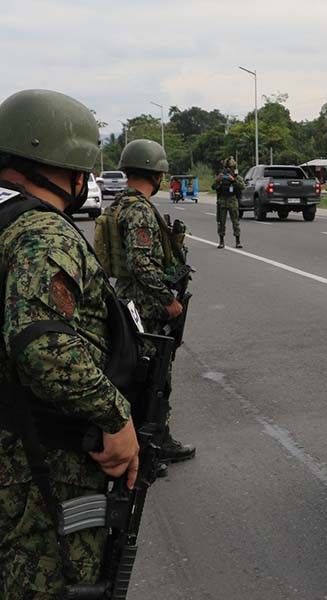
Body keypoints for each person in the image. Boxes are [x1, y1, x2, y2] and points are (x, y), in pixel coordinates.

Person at [0, 89, 139, 597]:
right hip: (39, 455)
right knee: (54, 580)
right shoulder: (44, 233)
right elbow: (42, 345)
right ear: (71, 168)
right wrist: (115, 417)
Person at [111, 139, 196, 466]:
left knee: (142, 374)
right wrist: (167, 300)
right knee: (154, 376)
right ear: (155, 173)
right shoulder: (139, 210)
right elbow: (141, 262)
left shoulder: (120, 203)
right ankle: (151, 447)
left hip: (129, 300)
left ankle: (153, 441)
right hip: (145, 306)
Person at [212, 156, 244, 248]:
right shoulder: (221, 176)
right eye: (227, 168)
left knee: (235, 222)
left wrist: (233, 180)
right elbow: (213, 187)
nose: (229, 170)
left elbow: (242, 187)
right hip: (222, 200)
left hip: (232, 200)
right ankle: (221, 241)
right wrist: (218, 180)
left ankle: (237, 241)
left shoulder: (236, 177)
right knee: (221, 222)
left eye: (231, 168)